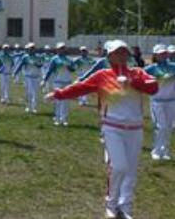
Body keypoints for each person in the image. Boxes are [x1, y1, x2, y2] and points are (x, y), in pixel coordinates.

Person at [45, 40, 158, 219]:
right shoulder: (102, 75)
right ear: (109, 55)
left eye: (123, 52)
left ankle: (125, 206)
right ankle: (111, 203)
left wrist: (133, 81)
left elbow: (153, 88)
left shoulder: (138, 72)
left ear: (128, 55)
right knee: (119, 167)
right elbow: (80, 88)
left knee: (131, 170)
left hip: (135, 128)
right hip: (112, 126)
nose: (120, 55)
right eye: (116, 52)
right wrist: (59, 94)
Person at [144, 44, 175, 160]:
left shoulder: (173, 66)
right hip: (157, 101)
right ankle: (156, 151)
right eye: (160, 54)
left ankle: (164, 151)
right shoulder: (151, 68)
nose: (163, 55)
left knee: (169, 127)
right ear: (155, 55)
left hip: (172, 101)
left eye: (164, 53)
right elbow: (139, 77)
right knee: (161, 126)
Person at [41, 42, 77, 126]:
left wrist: (69, 67)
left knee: (66, 101)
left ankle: (64, 119)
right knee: (58, 101)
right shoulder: (54, 59)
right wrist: (44, 80)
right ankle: (57, 118)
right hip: (58, 82)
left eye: (63, 48)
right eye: (60, 48)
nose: (61, 50)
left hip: (67, 82)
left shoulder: (69, 59)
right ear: (57, 50)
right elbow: (49, 70)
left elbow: (73, 69)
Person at [12, 43, 44, 113]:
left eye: (32, 48)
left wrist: (37, 64)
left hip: (36, 77)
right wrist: (15, 72)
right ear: (28, 49)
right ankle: (28, 106)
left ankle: (34, 107)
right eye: (30, 48)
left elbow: (41, 65)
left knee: (35, 93)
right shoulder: (25, 57)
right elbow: (20, 65)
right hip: (28, 77)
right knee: (28, 93)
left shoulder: (38, 57)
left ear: (34, 49)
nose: (31, 50)